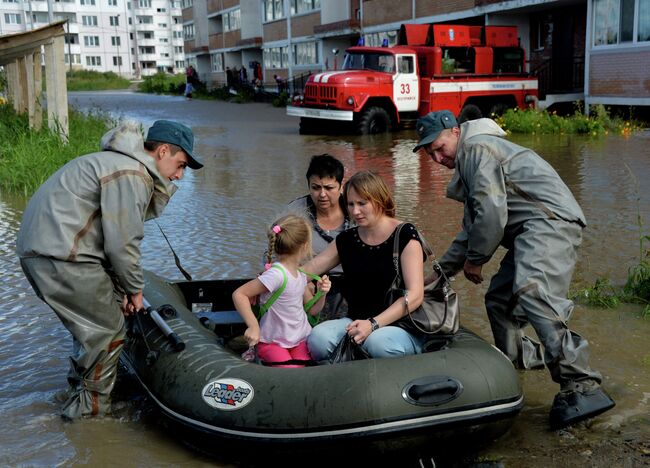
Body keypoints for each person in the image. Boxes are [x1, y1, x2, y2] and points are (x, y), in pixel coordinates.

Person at [412, 109, 615, 430]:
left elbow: (491, 214)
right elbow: (470, 230)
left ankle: (582, 384)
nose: (437, 158)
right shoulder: (470, 161)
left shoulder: (477, 150)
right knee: (499, 299)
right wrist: (436, 277)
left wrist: (477, 258)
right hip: (529, 231)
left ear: (454, 132)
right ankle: (522, 362)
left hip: (550, 222)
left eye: (439, 148)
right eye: (429, 153)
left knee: (532, 289)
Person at [16, 120, 204, 420]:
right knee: (108, 330)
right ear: (163, 151)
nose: (180, 176)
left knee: (92, 326)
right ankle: (90, 417)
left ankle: (77, 395)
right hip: (62, 254)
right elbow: (122, 244)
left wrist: (122, 290)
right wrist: (134, 290)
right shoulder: (133, 174)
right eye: (180, 165)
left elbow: (105, 239)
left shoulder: (114, 163)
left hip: (43, 252)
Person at [303, 171, 428, 360]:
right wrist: (271, 278)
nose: (355, 211)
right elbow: (307, 270)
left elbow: (416, 295)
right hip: (355, 320)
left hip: (400, 326)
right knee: (318, 339)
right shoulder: (347, 240)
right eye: (351, 204)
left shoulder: (405, 235)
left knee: (378, 342)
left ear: (380, 199)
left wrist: (373, 324)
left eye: (362, 203)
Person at [232, 214, 331, 368]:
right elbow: (240, 294)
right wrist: (253, 326)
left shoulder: (300, 275)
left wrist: (322, 294)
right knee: (290, 371)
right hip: (273, 341)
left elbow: (311, 311)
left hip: (299, 339)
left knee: (302, 372)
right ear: (305, 245)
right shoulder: (277, 274)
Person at [288, 154, 351, 321]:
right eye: (315, 188)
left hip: (349, 285)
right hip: (307, 285)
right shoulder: (295, 212)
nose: (322, 194)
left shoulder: (355, 209)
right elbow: (275, 251)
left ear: (341, 186)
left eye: (329, 188)